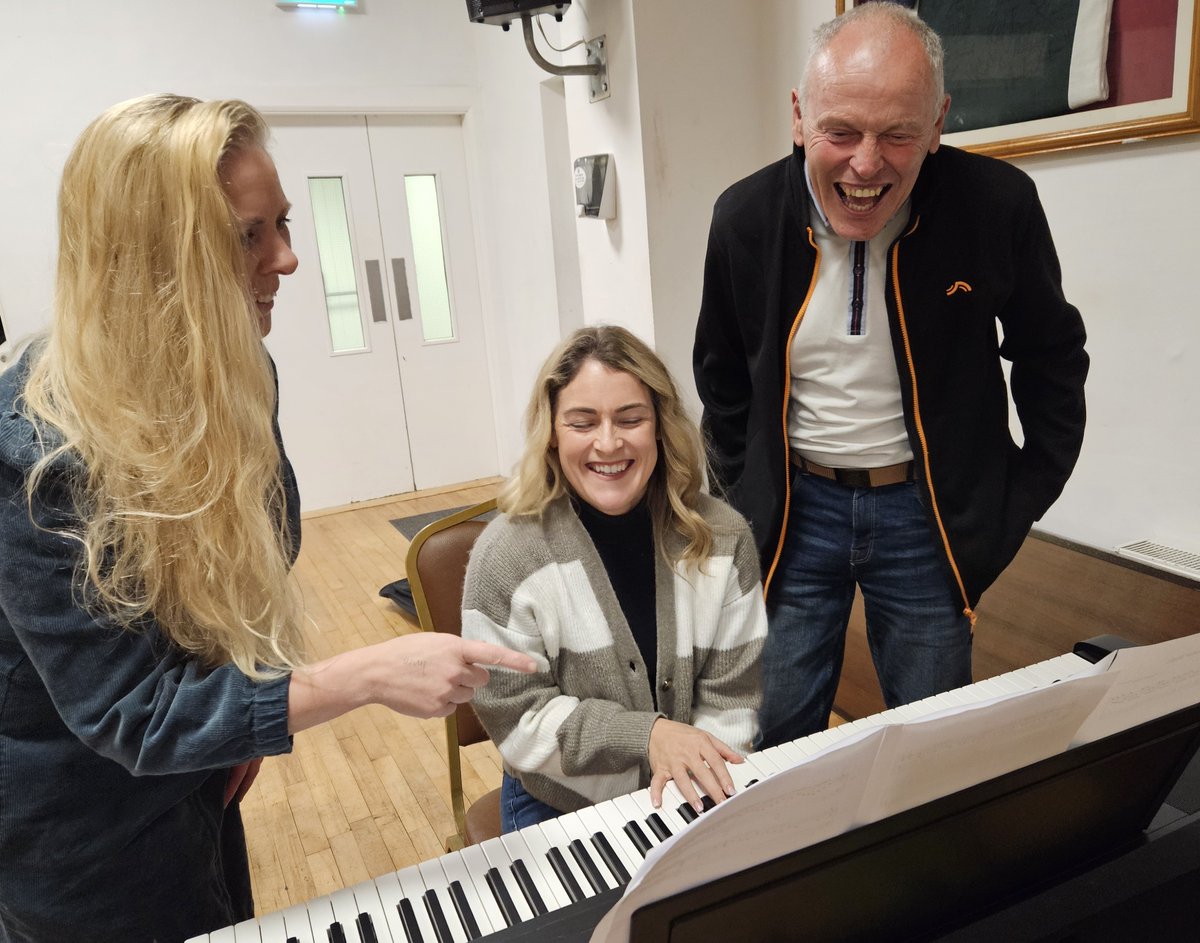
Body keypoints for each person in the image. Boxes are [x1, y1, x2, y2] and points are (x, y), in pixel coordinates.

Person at [0, 93, 534, 943]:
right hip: (83, 847)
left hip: (200, 793)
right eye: (249, 234)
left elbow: (256, 555)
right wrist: (361, 677)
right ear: (152, 258)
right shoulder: (35, 460)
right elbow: (131, 713)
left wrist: (243, 706)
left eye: (283, 223)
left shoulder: (237, 378)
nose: (287, 259)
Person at [693, 4, 1088, 750]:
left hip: (925, 516)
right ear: (799, 117)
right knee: (770, 732)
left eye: (898, 134)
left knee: (935, 742)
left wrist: (1011, 504)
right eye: (840, 131)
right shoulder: (743, 218)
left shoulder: (998, 206)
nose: (867, 164)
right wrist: (750, 503)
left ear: (938, 122)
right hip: (793, 517)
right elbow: (721, 379)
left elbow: (1052, 356)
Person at [462, 325, 767, 832]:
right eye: (583, 423)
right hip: (557, 802)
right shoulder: (505, 555)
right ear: (553, 434)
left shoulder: (724, 538)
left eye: (631, 419)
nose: (608, 443)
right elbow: (518, 718)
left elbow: (732, 698)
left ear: (661, 428)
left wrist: (690, 799)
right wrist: (647, 736)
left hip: (695, 787)